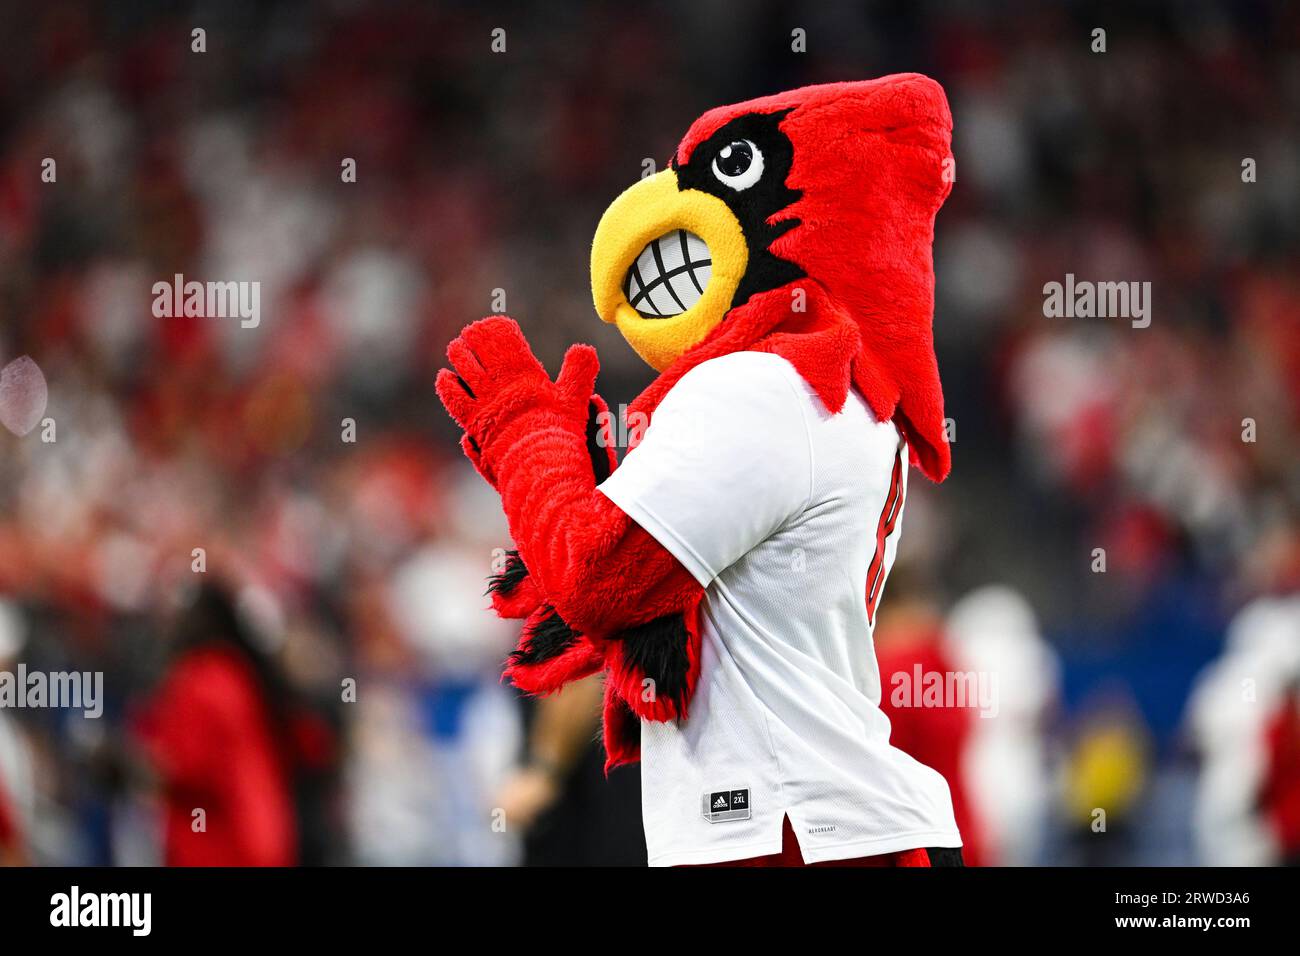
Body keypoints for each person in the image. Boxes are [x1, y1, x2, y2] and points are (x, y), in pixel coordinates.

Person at [439, 76, 963, 866]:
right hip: (835, 822)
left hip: (791, 831)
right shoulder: (845, 393)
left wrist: (523, 433)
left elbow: (598, 576)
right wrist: (573, 474)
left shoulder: (767, 382)